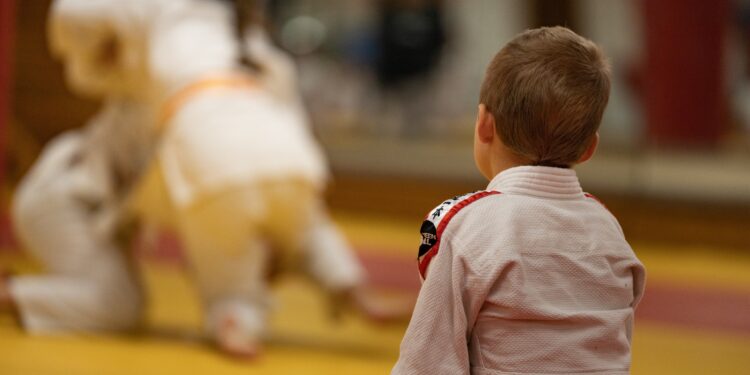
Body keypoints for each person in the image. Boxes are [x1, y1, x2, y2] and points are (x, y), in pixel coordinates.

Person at [1, 0, 398, 358]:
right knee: (115, 305)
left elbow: (296, 210)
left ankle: (236, 315)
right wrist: (97, 53)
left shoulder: (233, 68)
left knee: (131, 302)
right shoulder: (172, 49)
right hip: (64, 199)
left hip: (111, 209)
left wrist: (351, 287)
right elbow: (75, 17)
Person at [392, 26, 646, 374]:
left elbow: (427, 363)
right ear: (590, 148)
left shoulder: (464, 225)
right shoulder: (610, 232)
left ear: (483, 124)